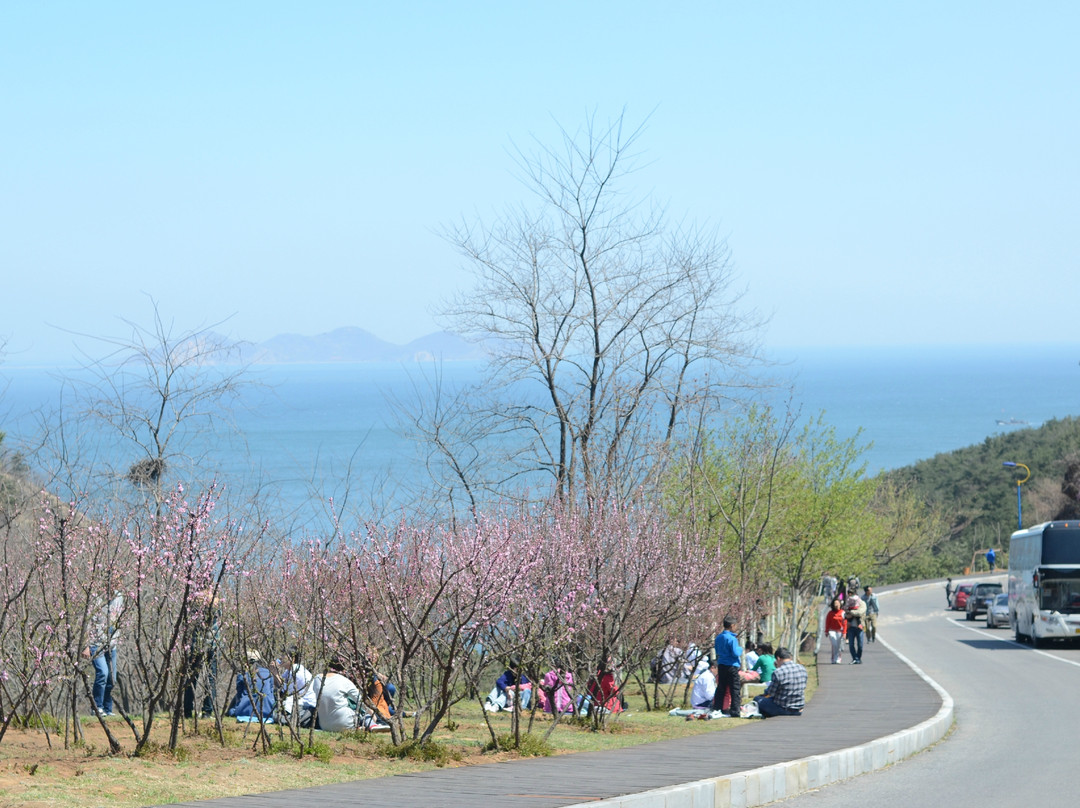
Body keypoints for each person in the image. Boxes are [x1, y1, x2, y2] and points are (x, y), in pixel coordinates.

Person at [314, 656, 388, 732]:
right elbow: (360, 700)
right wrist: (372, 713)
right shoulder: (344, 680)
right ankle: (372, 725)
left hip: (323, 725)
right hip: (344, 722)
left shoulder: (317, 679)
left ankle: (360, 728)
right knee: (363, 713)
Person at [84, 583, 124, 717]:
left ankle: (107, 708)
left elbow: (119, 619)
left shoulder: (119, 597)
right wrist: (86, 645)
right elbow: (87, 622)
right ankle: (97, 707)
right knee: (102, 673)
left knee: (112, 678)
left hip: (112, 644)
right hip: (96, 643)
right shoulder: (96, 598)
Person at [753, 647, 806, 718]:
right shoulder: (802, 668)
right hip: (798, 709)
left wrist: (763, 694)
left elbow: (771, 693)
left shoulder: (778, 672)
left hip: (782, 708)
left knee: (757, 699)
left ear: (778, 659)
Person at [228, 650, 276, 721]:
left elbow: (239, 694)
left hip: (244, 710)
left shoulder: (243, 674)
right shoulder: (268, 673)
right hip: (267, 711)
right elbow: (271, 694)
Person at [712, 615, 743, 718]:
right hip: (732, 665)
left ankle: (717, 708)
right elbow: (735, 653)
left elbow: (717, 650)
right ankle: (735, 711)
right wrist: (740, 649)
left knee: (721, 687)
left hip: (721, 664)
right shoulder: (732, 639)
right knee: (735, 689)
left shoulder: (718, 637)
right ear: (732, 625)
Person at [278, 646, 317, 727]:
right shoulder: (288, 671)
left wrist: (275, 674)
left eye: (283, 656)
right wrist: (274, 672)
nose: (280, 658)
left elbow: (286, 692)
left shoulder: (296, 672)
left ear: (292, 659)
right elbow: (279, 685)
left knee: (278, 717)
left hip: (306, 706)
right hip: (297, 702)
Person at [844, 591, 866, 665]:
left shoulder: (862, 603)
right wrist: (847, 613)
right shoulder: (847, 602)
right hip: (850, 627)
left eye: (851, 594)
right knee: (851, 644)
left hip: (859, 627)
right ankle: (855, 658)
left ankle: (858, 658)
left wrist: (851, 612)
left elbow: (860, 612)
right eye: (849, 595)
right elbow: (844, 612)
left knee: (860, 645)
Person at [825, 598, 847, 664]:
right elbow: (827, 622)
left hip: (840, 631)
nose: (836, 605)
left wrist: (844, 632)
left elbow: (845, 623)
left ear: (840, 604)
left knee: (838, 645)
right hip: (832, 631)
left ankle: (838, 658)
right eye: (835, 604)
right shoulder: (830, 613)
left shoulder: (843, 612)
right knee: (834, 644)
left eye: (837, 603)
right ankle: (833, 658)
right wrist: (826, 631)